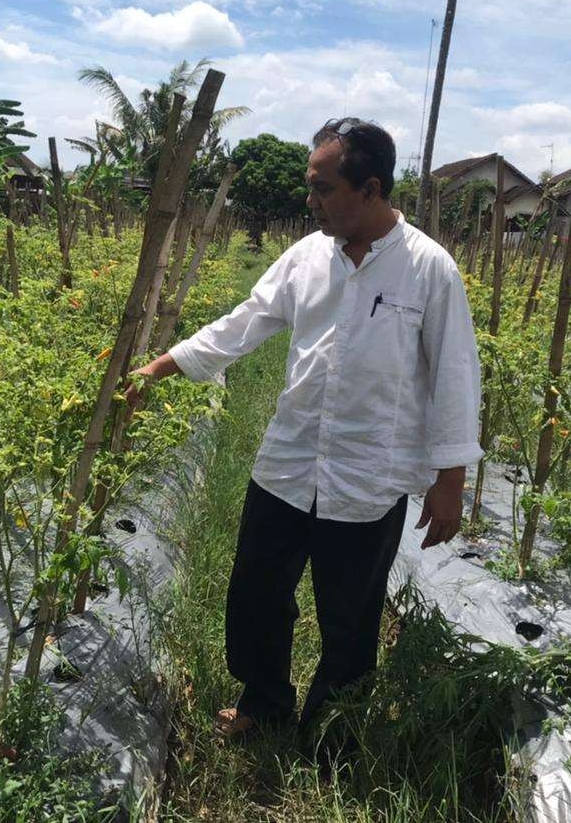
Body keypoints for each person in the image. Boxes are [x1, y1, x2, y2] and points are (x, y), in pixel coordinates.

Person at [124, 117, 483, 740]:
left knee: (350, 615)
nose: (310, 201)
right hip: (289, 461)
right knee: (257, 592)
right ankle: (264, 703)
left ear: (370, 190)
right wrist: (165, 363)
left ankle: (330, 729)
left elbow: (455, 375)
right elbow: (246, 321)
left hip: (368, 475)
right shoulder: (306, 258)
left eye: (322, 189)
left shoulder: (429, 269)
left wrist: (449, 480)